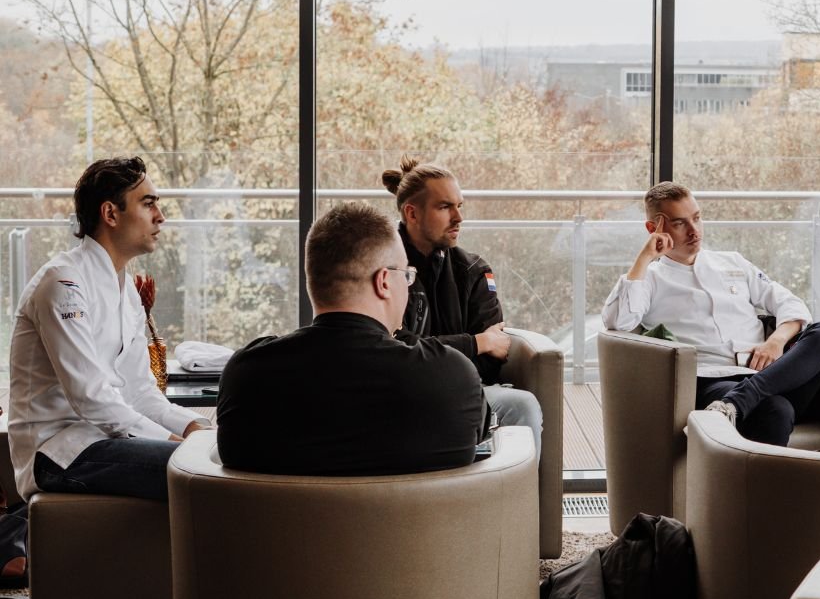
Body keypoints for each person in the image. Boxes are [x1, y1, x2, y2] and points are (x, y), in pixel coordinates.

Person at [217, 202, 488, 475]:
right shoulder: (452, 376)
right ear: (383, 282)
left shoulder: (245, 375)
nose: (408, 286)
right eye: (406, 276)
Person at [7, 157, 208, 505]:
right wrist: (173, 442)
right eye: (148, 204)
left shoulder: (125, 289)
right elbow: (91, 396)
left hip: (101, 439)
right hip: (59, 450)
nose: (160, 216)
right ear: (111, 214)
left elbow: (141, 392)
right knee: (197, 473)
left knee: (213, 455)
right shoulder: (63, 282)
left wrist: (194, 427)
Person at [600, 182, 820, 447]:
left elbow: (789, 303)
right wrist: (644, 258)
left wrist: (776, 341)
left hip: (770, 374)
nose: (695, 231)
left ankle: (738, 402)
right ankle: (741, 413)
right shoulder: (651, 279)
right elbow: (618, 321)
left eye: (697, 218)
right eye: (680, 223)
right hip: (712, 381)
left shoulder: (733, 262)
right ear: (653, 229)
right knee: (776, 410)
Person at [383, 156, 542, 456]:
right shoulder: (383, 268)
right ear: (412, 214)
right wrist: (476, 343)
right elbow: (392, 352)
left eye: (459, 206)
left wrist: (435, 351)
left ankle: (522, 504)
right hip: (400, 392)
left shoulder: (473, 271)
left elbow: (493, 359)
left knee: (522, 407)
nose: (459, 217)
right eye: (445, 207)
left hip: (465, 390)